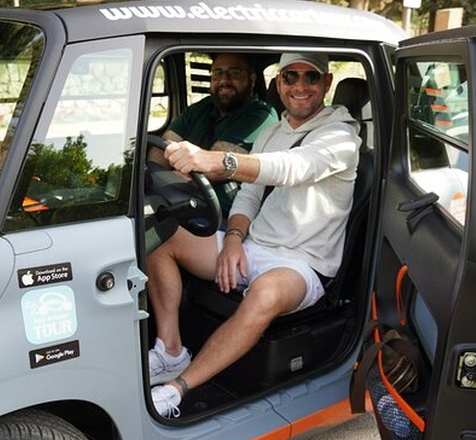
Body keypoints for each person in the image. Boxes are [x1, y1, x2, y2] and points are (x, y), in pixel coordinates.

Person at [147, 52, 361, 417]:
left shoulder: (341, 137)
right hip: (253, 245)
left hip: (301, 264)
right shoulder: (273, 132)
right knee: (159, 232)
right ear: (279, 83)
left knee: (265, 293)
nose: (300, 86)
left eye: (311, 77)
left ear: (327, 83)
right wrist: (233, 239)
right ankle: (171, 350)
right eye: (290, 77)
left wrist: (219, 161)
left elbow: (293, 168)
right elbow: (249, 195)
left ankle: (176, 390)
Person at [149, 53, 278, 214]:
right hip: (180, 196)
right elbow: (162, 147)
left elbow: (212, 169)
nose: (224, 80)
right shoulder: (201, 108)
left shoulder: (260, 115)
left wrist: (161, 179)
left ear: (251, 79)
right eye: (217, 73)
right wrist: (154, 175)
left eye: (234, 73)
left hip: (221, 211)